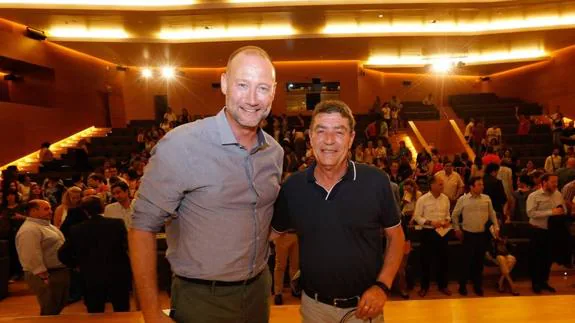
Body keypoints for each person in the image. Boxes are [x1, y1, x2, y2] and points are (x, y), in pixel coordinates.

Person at [130, 46, 283, 323]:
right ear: (225, 83)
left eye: (262, 88)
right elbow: (141, 227)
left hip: (259, 292)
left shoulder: (274, 152)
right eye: (242, 85)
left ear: (273, 91)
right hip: (201, 299)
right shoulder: (181, 145)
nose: (252, 98)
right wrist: (151, 313)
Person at [272, 100, 404, 323]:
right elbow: (270, 233)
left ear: (351, 138)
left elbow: (396, 236)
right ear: (310, 137)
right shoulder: (293, 187)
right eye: (321, 131)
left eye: (339, 132)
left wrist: (382, 286)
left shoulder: (376, 181)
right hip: (314, 309)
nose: (329, 140)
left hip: (363, 310)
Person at [58, 196, 132, 313]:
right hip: (117, 273)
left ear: (85, 211)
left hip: (91, 276)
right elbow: (128, 246)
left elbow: (62, 254)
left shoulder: (77, 229)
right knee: (122, 308)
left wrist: (76, 265)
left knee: (95, 312)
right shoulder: (117, 224)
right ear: (102, 207)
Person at [15, 200, 69, 315]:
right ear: (33, 211)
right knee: (49, 307)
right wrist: (42, 274)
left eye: (50, 208)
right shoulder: (29, 229)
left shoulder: (46, 225)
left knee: (57, 305)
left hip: (57, 270)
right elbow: (30, 254)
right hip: (45, 274)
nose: (51, 211)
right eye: (46, 209)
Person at [452, 177, 499, 296]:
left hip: (482, 235)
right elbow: (454, 215)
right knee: (466, 261)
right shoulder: (463, 199)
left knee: (479, 261)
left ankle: (477, 285)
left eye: (482, 184)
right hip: (468, 234)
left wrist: (496, 227)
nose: (482, 186)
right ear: (471, 187)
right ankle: (462, 285)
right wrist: (457, 229)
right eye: (479, 185)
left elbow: (492, 214)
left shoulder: (486, 198)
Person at [526, 174, 566, 294]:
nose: (556, 184)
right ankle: (535, 283)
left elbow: (562, 207)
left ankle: (544, 281)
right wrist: (551, 212)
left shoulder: (558, 194)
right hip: (538, 230)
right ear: (544, 182)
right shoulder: (534, 196)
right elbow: (531, 213)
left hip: (552, 231)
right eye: (553, 182)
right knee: (536, 258)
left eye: (556, 182)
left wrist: (563, 210)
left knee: (548, 258)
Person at [413, 177, 452, 297]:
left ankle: (443, 285)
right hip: (428, 233)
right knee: (426, 260)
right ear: (432, 185)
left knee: (443, 260)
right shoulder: (423, 199)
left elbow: (448, 215)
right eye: (440, 184)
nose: (442, 186)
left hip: (443, 232)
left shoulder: (445, 198)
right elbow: (417, 217)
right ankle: (424, 287)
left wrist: (446, 220)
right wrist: (430, 223)